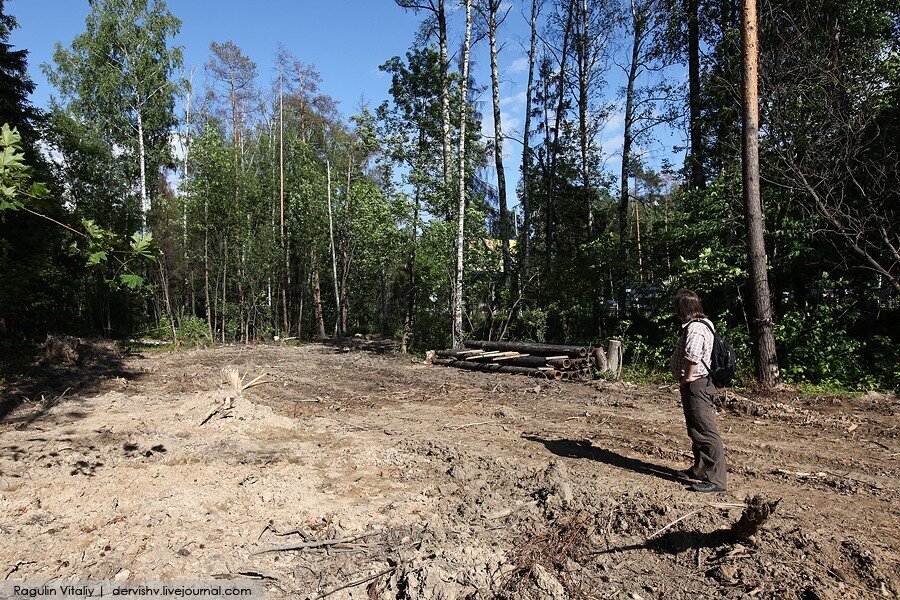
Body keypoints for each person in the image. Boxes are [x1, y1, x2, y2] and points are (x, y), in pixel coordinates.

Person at [669, 289, 727, 493]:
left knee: (706, 431)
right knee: (696, 429)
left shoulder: (694, 328)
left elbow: (692, 355)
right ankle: (700, 470)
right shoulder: (706, 323)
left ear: (682, 308)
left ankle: (716, 480)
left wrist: (686, 377)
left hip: (697, 383)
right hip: (701, 382)